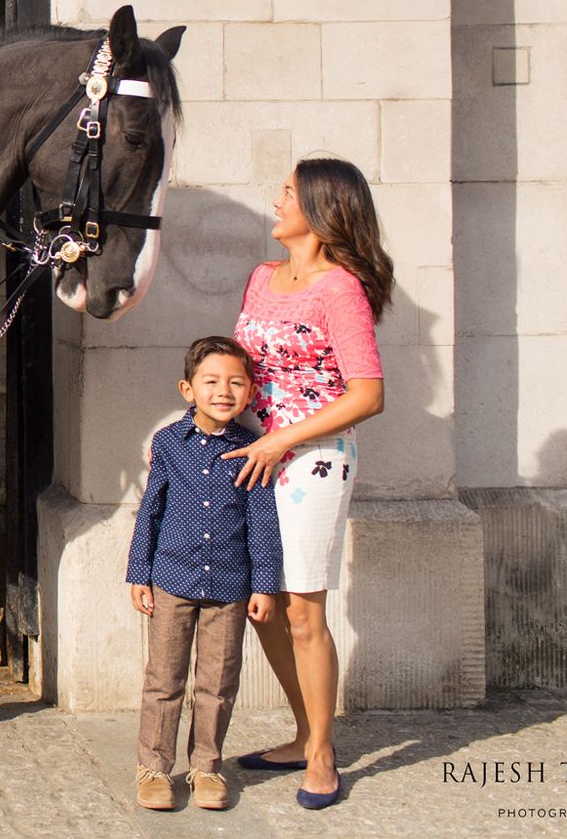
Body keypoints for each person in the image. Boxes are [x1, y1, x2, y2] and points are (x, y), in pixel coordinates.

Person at [221, 156, 394, 811]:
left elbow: (369, 393)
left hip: (312, 459)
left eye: (289, 191)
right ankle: (301, 730)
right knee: (261, 595)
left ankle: (321, 752)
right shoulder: (261, 278)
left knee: (303, 608)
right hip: (254, 454)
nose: (277, 198)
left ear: (321, 209)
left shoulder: (340, 288)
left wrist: (283, 438)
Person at [126, 336, 282, 813]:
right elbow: (150, 508)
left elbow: (262, 519)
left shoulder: (255, 448)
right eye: (211, 381)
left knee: (217, 681)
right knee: (164, 678)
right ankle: (154, 767)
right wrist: (139, 572)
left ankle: (207, 767)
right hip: (172, 579)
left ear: (251, 391)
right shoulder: (170, 443)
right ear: (187, 389)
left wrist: (264, 584)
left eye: (236, 382)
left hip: (230, 587)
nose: (223, 390)